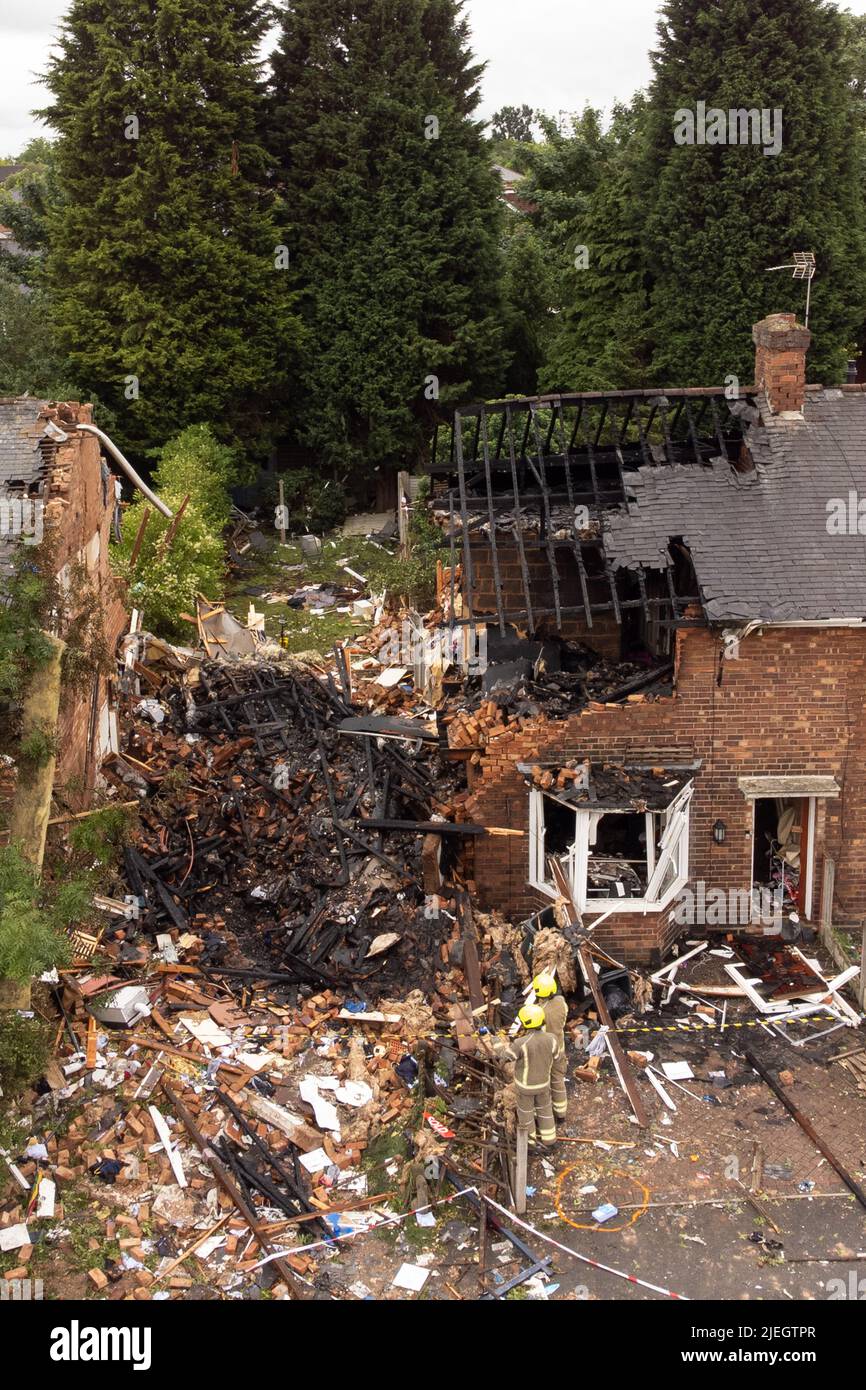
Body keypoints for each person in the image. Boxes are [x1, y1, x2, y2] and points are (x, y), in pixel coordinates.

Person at [497, 1003, 557, 1149]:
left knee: (526, 1114)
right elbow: (556, 1056)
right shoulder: (552, 1038)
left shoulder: (520, 1042)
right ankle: (550, 1141)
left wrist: (497, 1044)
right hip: (543, 1084)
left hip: (525, 1087)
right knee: (545, 1110)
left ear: (525, 1023)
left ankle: (531, 1144)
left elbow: (506, 1057)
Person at [533, 971, 568, 1122]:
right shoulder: (561, 1002)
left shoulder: (539, 1011)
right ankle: (561, 1114)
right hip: (559, 1050)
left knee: (542, 1085)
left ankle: (541, 1116)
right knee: (558, 1081)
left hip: (545, 1054)